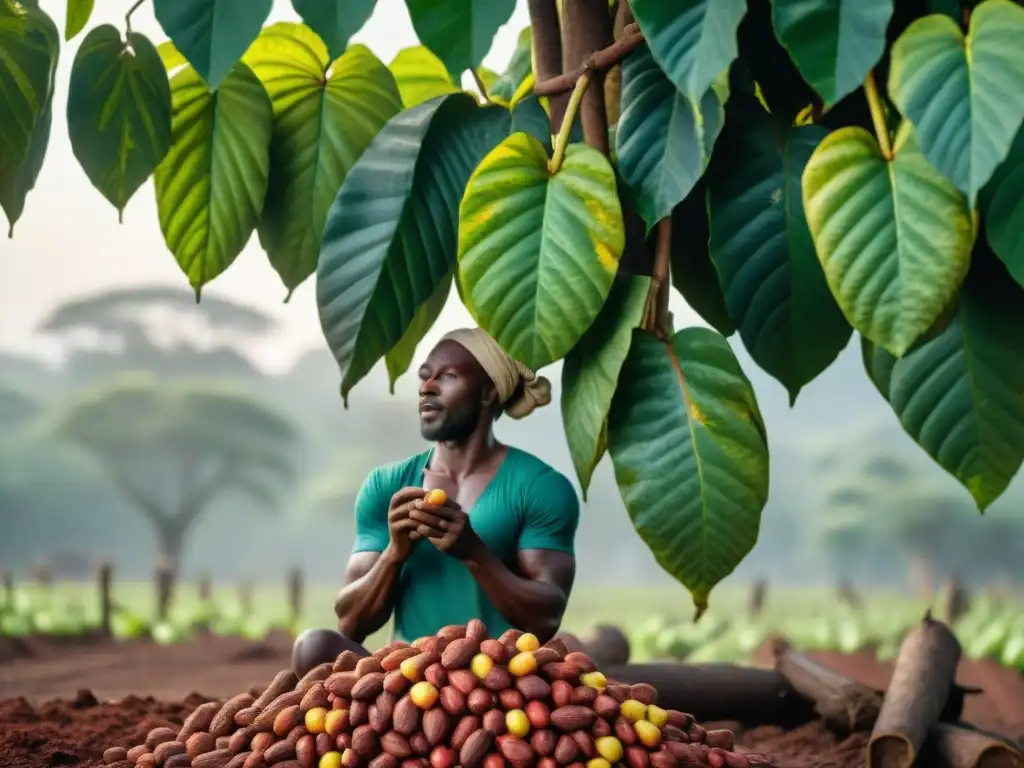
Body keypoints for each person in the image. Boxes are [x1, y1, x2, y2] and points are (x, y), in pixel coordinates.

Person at [292, 327, 581, 676]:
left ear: (488, 393)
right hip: (405, 681)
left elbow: (546, 617)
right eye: (425, 377)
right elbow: (351, 624)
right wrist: (394, 554)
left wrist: (474, 552)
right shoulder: (387, 486)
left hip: (499, 685)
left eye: (447, 377)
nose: (427, 387)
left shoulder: (540, 487)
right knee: (315, 647)